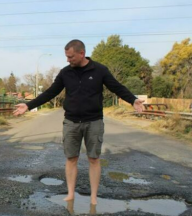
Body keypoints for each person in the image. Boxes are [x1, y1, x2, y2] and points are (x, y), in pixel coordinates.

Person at [13, 40, 144, 205]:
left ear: (81, 53)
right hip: (71, 122)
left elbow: (116, 87)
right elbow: (50, 93)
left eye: (71, 57)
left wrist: (132, 100)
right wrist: (28, 105)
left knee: (94, 159)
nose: (68, 60)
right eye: (66, 57)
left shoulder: (100, 70)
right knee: (71, 158)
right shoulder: (65, 73)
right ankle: (70, 194)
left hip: (94, 122)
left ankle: (94, 197)